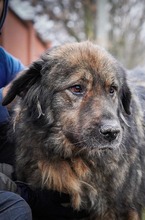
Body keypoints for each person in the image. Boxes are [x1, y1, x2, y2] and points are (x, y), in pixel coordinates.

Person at [0, 0, 89, 219]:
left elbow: (32, 80)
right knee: (17, 207)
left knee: (69, 199)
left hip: (3, 140)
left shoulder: (2, 59)